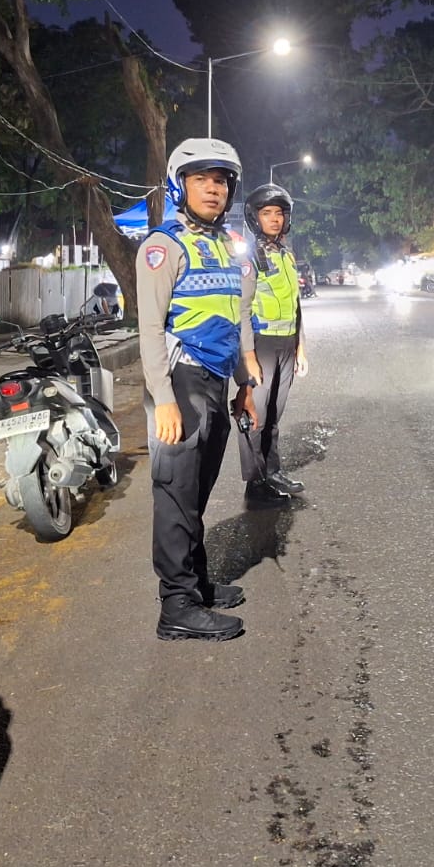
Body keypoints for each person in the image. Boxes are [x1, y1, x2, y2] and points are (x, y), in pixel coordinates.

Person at [138, 138, 264, 643]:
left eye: (221, 181)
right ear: (179, 186)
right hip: (180, 380)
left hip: (215, 380)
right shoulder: (163, 246)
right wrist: (163, 399)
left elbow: (238, 318)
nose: (213, 190)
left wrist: (244, 385)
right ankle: (177, 604)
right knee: (175, 493)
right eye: (201, 180)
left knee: (197, 490)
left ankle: (196, 583)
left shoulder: (225, 246)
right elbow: (149, 329)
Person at [237, 184, 310, 503]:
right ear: (255, 218)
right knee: (256, 415)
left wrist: (300, 346)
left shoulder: (287, 255)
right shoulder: (249, 257)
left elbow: (295, 304)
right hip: (261, 343)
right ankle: (255, 483)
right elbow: (241, 309)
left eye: (279, 213)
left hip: (286, 343)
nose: (275, 219)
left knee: (274, 414)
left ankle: (272, 471)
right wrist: (248, 356)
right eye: (267, 213)